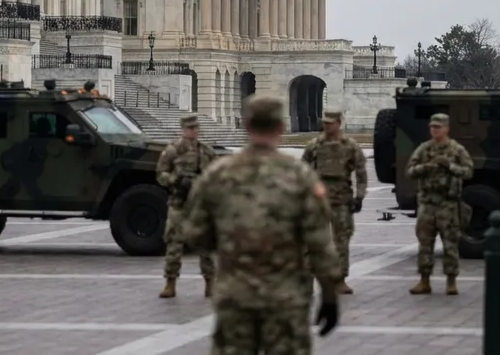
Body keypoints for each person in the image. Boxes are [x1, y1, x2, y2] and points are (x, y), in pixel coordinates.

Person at [182, 95, 340, 352]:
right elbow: (320, 245)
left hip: (235, 298)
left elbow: (194, 234)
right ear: (281, 127)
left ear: (246, 124)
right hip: (285, 300)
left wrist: (229, 244)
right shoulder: (300, 176)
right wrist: (330, 296)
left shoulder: (218, 174)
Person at [404, 113, 473, 295]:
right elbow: (409, 171)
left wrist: (449, 166)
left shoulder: (456, 150)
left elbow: (468, 172)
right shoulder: (424, 149)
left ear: (447, 128)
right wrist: (425, 167)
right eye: (432, 127)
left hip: (447, 204)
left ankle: (451, 281)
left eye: (438, 127)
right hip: (427, 204)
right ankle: (424, 280)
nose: (435, 130)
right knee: (425, 244)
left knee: (450, 244)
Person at [301, 109, 367, 294]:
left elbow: (361, 172)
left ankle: (340, 279)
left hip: (342, 199)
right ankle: (307, 280)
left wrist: (360, 196)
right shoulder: (314, 145)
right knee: (312, 241)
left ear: (339, 123)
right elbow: (302, 170)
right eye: (325, 123)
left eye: (330, 123)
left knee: (342, 241)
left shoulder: (350, 146)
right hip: (318, 200)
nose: (326, 126)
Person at [155, 115, 217, 298]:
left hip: (200, 205)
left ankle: (210, 283)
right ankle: (170, 283)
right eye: (190, 128)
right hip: (179, 204)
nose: (194, 131)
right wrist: (175, 180)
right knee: (174, 244)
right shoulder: (173, 150)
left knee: (206, 247)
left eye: (196, 128)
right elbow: (161, 173)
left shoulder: (206, 151)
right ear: (183, 130)